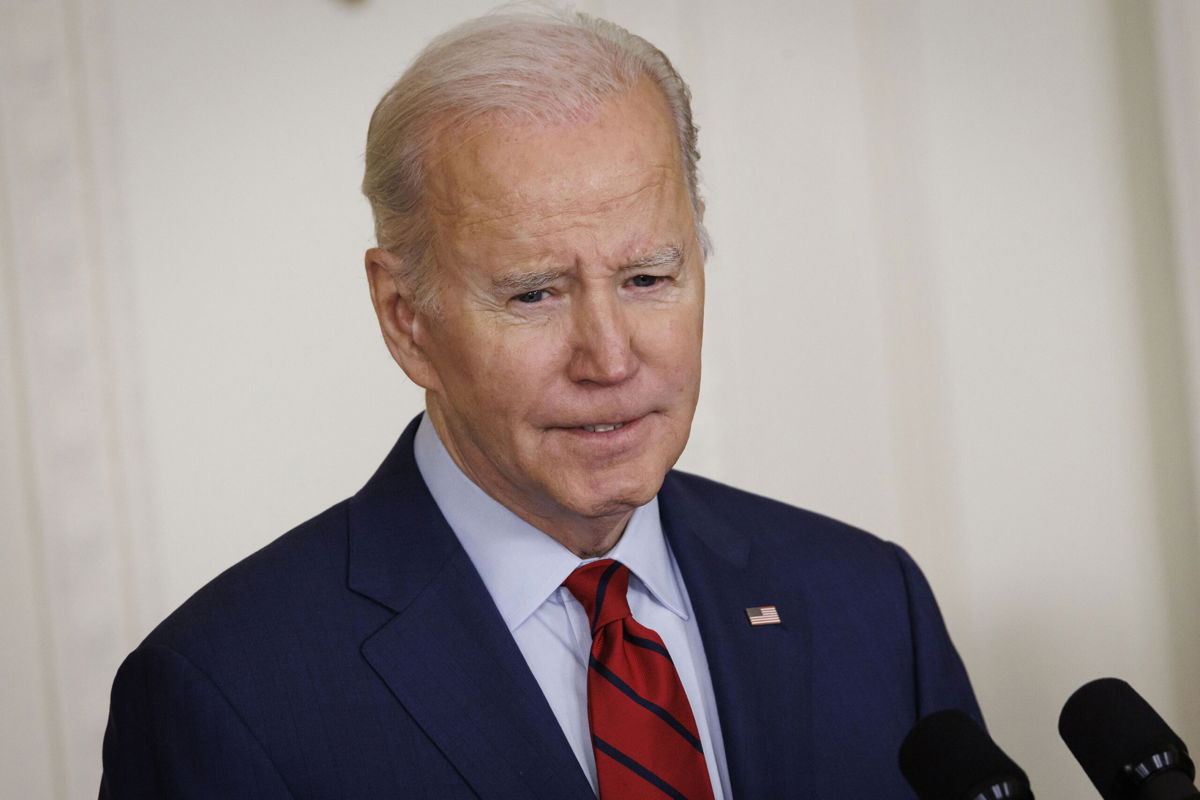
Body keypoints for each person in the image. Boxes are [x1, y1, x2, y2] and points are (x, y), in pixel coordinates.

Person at [100, 7, 979, 799]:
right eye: (534, 295)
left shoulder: (869, 603)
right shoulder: (224, 690)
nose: (609, 356)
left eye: (647, 277)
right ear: (406, 319)